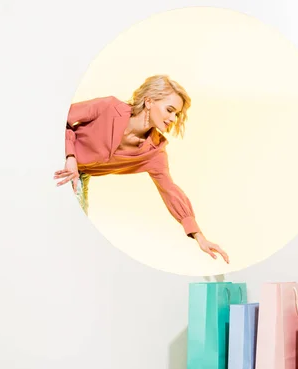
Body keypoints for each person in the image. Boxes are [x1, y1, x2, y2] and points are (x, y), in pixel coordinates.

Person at [54, 75, 229, 264]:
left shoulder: (154, 152)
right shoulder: (108, 107)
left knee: (69, 238)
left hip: (76, 177)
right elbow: (61, 121)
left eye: (177, 114)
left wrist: (199, 236)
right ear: (148, 101)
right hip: (55, 155)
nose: (172, 118)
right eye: (169, 110)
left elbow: (170, 191)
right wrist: (70, 156)